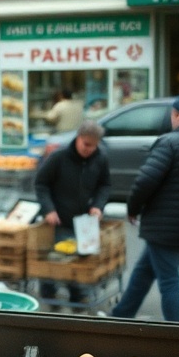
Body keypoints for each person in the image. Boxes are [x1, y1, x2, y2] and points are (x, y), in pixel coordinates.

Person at [110, 93, 179, 322]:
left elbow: (145, 181)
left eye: (173, 114)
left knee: (168, 282)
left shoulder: (170, 143)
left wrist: (132, 208)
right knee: (144, 271)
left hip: (165, 227)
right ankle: (120, 316)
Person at [33, 120, 110, 309]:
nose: (89, 149)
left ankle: (76, 298)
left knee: (78, 258)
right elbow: (41, 183)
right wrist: (48, 209)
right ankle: (49, 297)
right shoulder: (58, 157)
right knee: (55, 259)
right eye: (86, 144)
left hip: (82, 219)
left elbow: (105, 185)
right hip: (57, 217)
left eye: (93, 146)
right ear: (78, 138)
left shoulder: (100, 158)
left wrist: (98, 206)